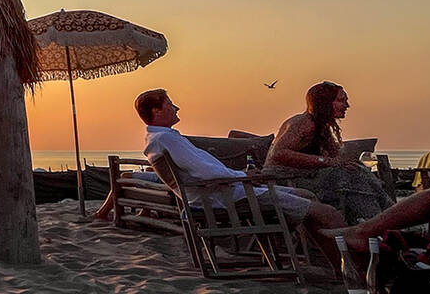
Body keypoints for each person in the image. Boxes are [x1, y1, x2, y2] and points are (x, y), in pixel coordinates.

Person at [135, 88, 346, 266]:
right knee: (327, 213)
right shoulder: (166, 140)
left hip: (223, 193)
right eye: (170, 104)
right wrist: (243, 176)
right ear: (156, 111)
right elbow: (207, 173)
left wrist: (241, 177)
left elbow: (202, 171)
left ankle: (335, 263)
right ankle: (350, 266)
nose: (176, 108)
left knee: (307, 196)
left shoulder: (158, 139)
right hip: (230, 197)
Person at [265, 81, 393, 224]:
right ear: (324, 102)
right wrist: (327, 162)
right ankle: (377, 222)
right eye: (341, 100)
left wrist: (346, 162)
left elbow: (336, 156)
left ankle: (386, 219)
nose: (347, 105)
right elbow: (278, 153)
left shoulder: (321, 126)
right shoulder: (305, 123)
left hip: (304, 178)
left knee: (357, 170)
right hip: (285, 181)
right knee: (352, 177)